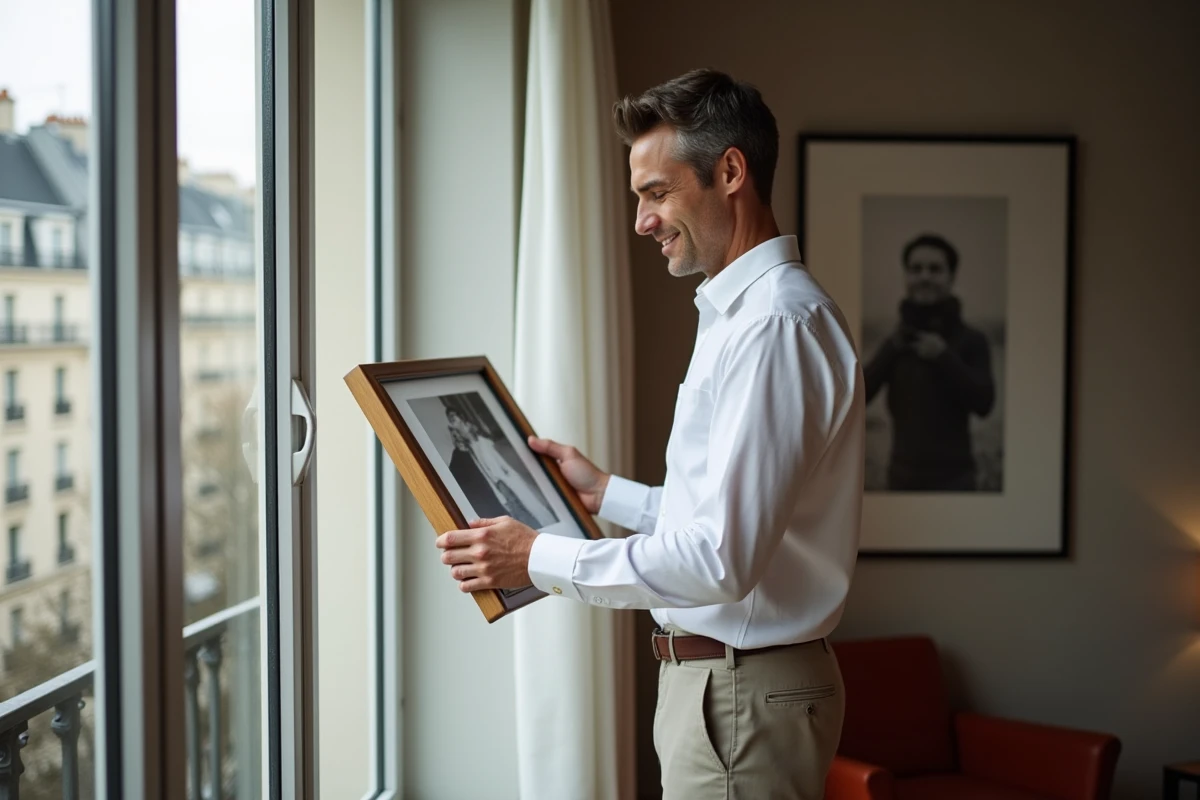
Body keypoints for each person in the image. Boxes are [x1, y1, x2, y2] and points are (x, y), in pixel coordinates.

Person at [435, 69, 865, 800]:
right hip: (731, 690)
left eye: (656, 193)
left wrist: (535, 556)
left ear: (730, 172)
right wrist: (609, 493)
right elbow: (736, 521)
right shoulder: (748, 316)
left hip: (738, 695)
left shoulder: (771, 327)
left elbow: (720, 559)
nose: (642, 222)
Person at [863, 233, 995, 491]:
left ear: (951, 277)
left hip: (957, 482)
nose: (924, 276)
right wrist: (891, 348)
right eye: (916, 269)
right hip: (900, 481)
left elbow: (984, 404)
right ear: (906, 276)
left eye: (935, 269)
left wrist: (944, 357)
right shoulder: (897, 342)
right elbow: (859, 399)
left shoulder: (972, 340)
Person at [446, 407, 555, 529]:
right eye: (452, 421)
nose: (454, 424)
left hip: (508, 477)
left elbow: (502, 464)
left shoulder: (485, 442)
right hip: (499, 485)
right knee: (517, 512)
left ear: (463, 420)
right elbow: (485, 472)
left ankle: (548, 523)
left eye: (454, 419)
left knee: (531, 502)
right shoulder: (469, 449)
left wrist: (505, 476)